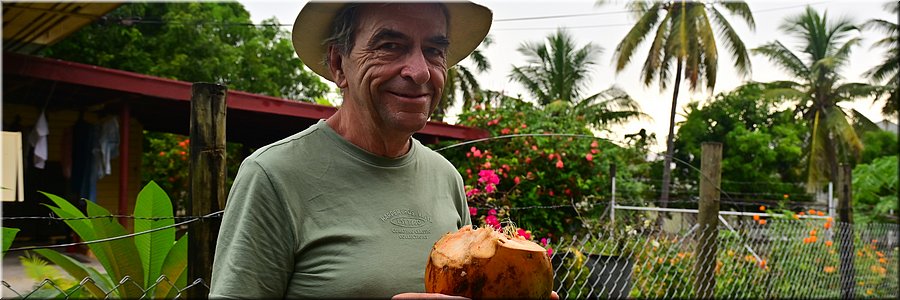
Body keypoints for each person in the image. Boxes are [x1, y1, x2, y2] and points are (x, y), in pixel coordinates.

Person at [209, 1, 494, 298]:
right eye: (390, 46)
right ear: (338, 64)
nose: (420, 72)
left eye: (434, 50)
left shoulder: (446, 177)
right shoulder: (274, 175)